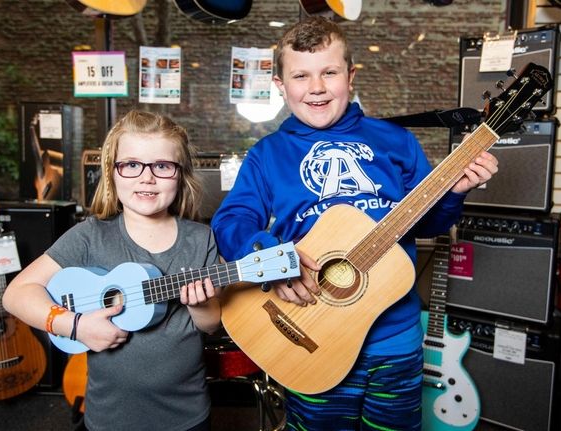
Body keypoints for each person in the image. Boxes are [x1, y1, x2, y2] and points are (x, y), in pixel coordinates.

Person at [210, 16, 498, 431]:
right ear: (279, 85)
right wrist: (272, 261)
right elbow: (233, 220)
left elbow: (425, 222)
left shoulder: (396, 142)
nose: (317, 87)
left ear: (351, 75)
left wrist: (454, 193)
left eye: (329, 72)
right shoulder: (267, 154)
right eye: (301, 75)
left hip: (395, 339)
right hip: (310, 331)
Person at [3, 110, 221, 431]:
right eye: (131, 165)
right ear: (113, 173)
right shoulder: (90, 236)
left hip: (186, 415)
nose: (147, 177)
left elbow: (211, 324)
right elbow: (16, 294)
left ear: (181, 174)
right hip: (110, 418)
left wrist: (200, 305)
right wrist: (74, 326)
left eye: (162, 166)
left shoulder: (201, 239)